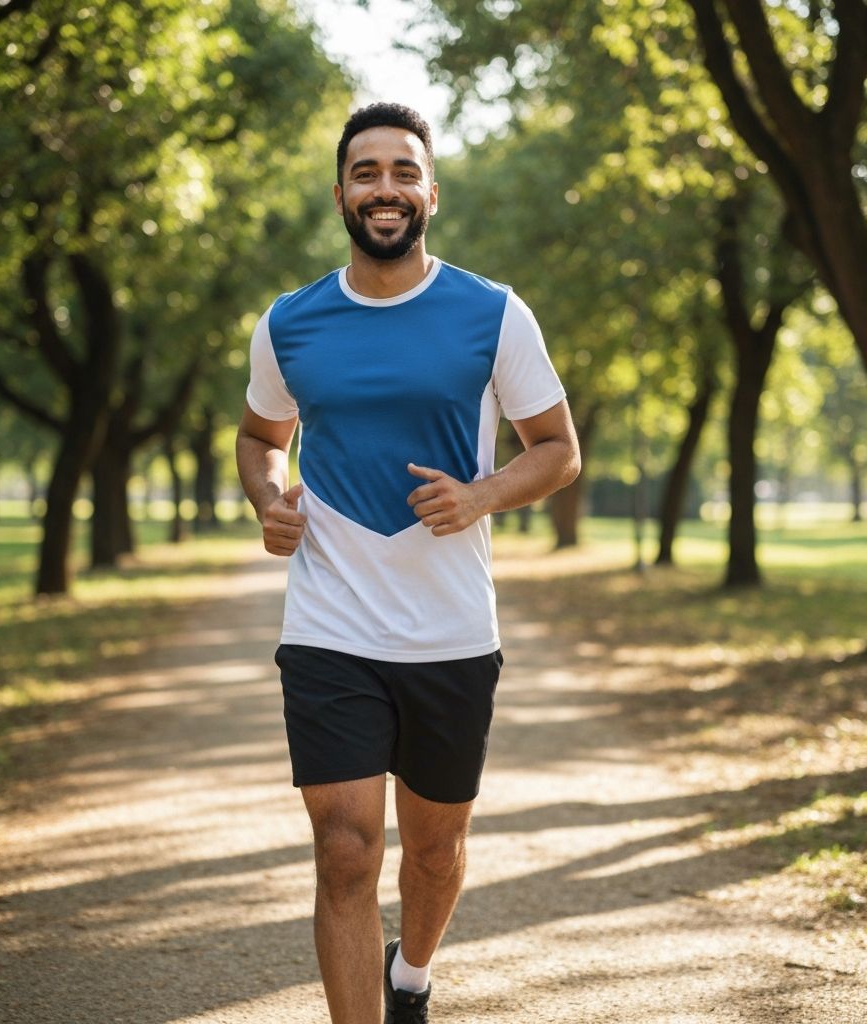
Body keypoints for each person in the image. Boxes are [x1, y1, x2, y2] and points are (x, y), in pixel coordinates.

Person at [235, 102, 580, 1024]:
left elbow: (556, 448)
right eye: (365, 171)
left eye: (401, 170)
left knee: (435, 852)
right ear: (341, 191)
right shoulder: (289, 323)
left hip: (451, 630)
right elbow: (262, 435)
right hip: (330, 626)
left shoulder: (494, 314)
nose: (383, 187)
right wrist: (271, 495)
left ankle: (413, 974)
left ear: (430, 190)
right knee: (346, 852)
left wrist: (481, 495)